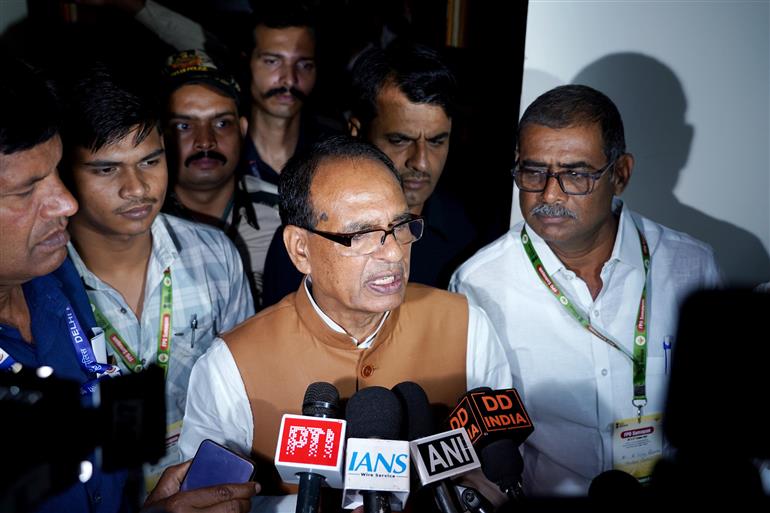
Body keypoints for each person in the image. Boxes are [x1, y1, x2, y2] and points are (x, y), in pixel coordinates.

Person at [178, 136, 512, 511]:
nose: (392, 253)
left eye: (401, 226)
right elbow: (202, 504)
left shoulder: (467, 327)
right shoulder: (230, 367)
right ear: (300, 249)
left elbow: (505, 475)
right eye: (362, 234)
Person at [0, 58, 258, 513]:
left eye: (151, 161)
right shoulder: (57, 275)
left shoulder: (50, 289)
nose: (137, 188)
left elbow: (247, 393)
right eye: (105, 169)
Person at [450, 84, 723, 497]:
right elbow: (479, 443)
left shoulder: (691, 266)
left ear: (620, 174)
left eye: (576, 174)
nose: (550, 194)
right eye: (533, 171)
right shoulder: (480, 283)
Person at [261, 41, 478, 306]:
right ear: (357, 131)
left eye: (436, 141)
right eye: (400, 140)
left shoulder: (469, 236)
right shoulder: (310, 238)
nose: (420, 162)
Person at [161, 49, 283, 308]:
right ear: (160, 136)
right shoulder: (142, 222)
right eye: (184, 126)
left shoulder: (287, 213)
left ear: (243, 128)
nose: (205, 141)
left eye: (221, 124)